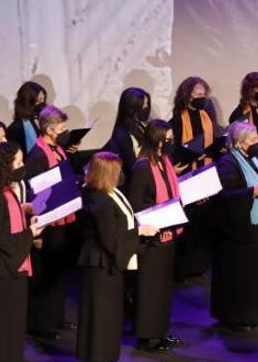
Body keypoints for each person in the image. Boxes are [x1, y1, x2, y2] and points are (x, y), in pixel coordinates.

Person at [77, 152, 159, 362]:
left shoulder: (111, 193)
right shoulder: (100, 200)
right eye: (118, 170)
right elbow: (110, 240)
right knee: (101, 316)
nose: (122, 174)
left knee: (109, 316)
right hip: (101, 265)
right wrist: (139, 233)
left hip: (109, 266)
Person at [0, 142, 44, 362]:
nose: (22, 166)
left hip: (13, 268)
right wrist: (29, 234)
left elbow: (9, 223)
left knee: (13, 330)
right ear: (5, 165)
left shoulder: (6, 189)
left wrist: (29, 227)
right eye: (18, 162)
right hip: (1, 271)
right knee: (2, 332)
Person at [210, 121, 258, 331]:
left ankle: (252, 315)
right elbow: (225, 196)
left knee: (254, 275)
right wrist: (253, 192)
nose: (257, 143)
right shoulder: (227, 162)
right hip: (238, 230)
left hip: (257, 226)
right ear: (239, 143)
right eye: (253, 140)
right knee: (239, 275)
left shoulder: (255, 158)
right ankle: (237, 317)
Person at [127, 120, 185, 352]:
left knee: (162, 288)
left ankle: (160, 331)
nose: (172, 141)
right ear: (158, 140)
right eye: (168, 137)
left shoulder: (164, 161)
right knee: (149, 288)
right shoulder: (142, 166)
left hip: (169, 232)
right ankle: (147, 335)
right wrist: (160, 217)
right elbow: (137, 203)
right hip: (152, 236)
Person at [24, 105, 80, 340]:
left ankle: (56, 317)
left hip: (62, 217)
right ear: (48, 129)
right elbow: (34, 191)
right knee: (44, 273)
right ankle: (41, 324)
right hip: (48, 222)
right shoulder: (37, 154)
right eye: (62, 128)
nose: (65, 132)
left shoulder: (57, 148)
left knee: (58, 270)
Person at [170, 76, 219, 280]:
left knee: (206, 221)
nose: (202, 98)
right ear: (187, 94)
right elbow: (175, 150)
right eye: (197, 94)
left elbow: (211, 142)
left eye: (204, 95)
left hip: (206, 169)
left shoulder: (206, 115)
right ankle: (182, 269)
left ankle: (200, 266)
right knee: (189, 222)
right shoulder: (177, 119)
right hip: (188, 172)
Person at [102, 87, 152, 181]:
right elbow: (131, 167)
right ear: (132, 107)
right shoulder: (121, 133)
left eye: (147, 104)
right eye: (144, 105)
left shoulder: (141, 125)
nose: (146, 108)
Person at [5, 81, 47, 155]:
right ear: (27, 103)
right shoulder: (16, 128)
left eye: (43, 100)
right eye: (38, 101)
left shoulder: (44, 121)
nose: (42, 105)